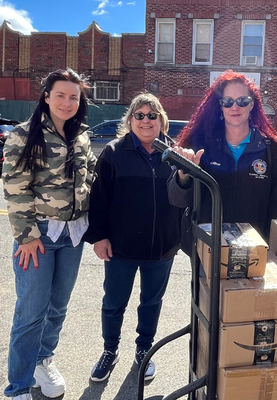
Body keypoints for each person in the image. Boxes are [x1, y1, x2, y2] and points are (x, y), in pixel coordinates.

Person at [2, 69, 96, 400]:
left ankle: (43, 361)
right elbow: (16, 189)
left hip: (72, 236)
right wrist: (26, 236)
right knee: (31, 311)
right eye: (61, 95)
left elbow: (91, 179)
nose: (67, 102)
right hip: (38, 236)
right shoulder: (25, 135)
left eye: (74, 97)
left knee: (58, 307)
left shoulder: (81, 137)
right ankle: (18, 387)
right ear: (46, 97)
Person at [84, 92, 181, 384]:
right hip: (120, 248)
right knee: (114, 302)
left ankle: (144, 350)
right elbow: (99, 199)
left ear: (162, 120)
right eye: (139, 115)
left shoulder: (174, 154)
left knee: (151, 302)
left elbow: (186, 198)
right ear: (130, 120)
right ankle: (109, 350)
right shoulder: (114, 153)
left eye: (152, 115)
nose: (146, 120)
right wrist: (99, 237)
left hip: (161, 248)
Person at [168, 70, 277, 252]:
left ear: (252, 104)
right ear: (220, 106)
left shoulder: (272, 151)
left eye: (242, 101)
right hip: (206, 249)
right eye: (228, 102)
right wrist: (183, 175)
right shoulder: (200, 145)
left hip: (252, 249)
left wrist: (271, 250)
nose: (235, 107)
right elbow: (177, 199)